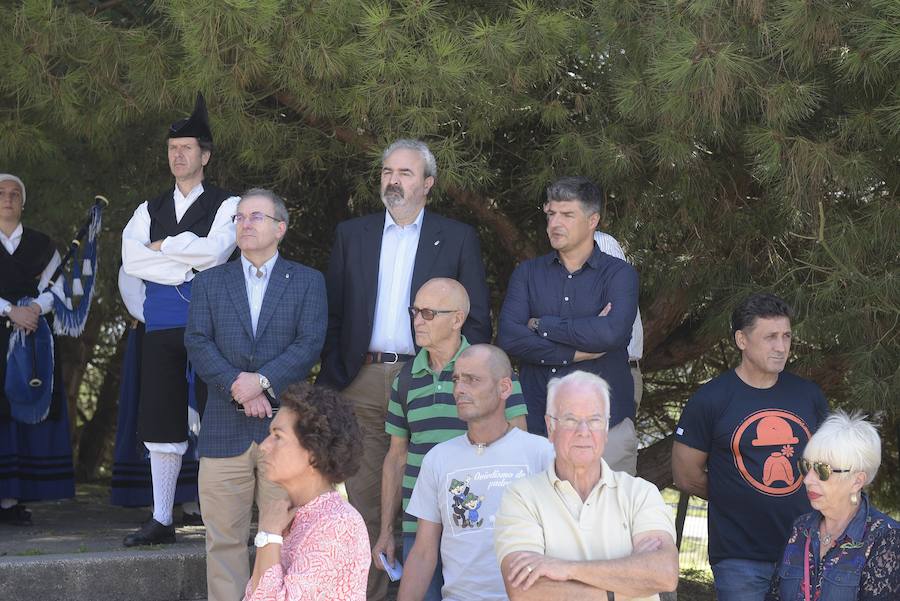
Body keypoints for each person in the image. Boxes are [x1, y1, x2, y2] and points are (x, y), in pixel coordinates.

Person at [318, 138, 491, 601]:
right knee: (369, 503)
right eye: (387, 172)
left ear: (428, 184)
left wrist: (458, 375)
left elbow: (475, 319)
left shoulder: (456, 238)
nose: (393, 181)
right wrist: (336, 377)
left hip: (430, 376)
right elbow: (333, 315)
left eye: (406, 173)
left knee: (441, 499)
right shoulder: (351, 234)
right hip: (365, 379)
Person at [185, 188, 327, 601]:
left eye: (256, 217)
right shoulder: (210, 282)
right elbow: (197, 341)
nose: (245, 224)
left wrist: (261, 380)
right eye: (240, 217)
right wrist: (239, 386)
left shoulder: (307, 281)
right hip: (223, 431)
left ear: (280, 228)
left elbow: (309, 343)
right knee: (224, 541)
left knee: (284, 538)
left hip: (284, 437)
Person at [120, 93, 239, 544]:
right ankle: (163, 518)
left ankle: (220, 519)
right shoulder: (147, 210)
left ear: (204, 156)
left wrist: (164, 249)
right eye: (172, 149)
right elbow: (132, 262)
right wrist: (186, 256)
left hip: (212, 323)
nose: (178, 155)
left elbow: (216, 253)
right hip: (163, 324)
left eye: (187, 148)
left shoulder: (230, 204)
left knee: (219, 417)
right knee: (161, 419)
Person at [373, 279, 528, 600]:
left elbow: (520, 449)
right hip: (420, 529)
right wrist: (387, 530)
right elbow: (396, 458)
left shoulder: (491, 369)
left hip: (479, 530)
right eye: (414, 311)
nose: (417, 320)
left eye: (428, 313)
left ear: (457, 319)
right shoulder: (405, 379)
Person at [672, 292, 829, 601]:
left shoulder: (809, 397)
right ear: (741, 340)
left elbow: (828, 466)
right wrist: (738, 497)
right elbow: (685, 475)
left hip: (804, 550)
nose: (781, 346)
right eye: (770, 337)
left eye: (786, 336)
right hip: (738, 556)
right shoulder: (711, 400)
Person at [494, 371, 678, 601]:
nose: (583, 431)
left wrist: (565, 569)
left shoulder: (640, 494)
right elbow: (524, 591)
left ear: (606, 428)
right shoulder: (521, 497)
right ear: (551, 427)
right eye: (571, 419)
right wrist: (624, 585)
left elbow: (664, 575)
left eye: (594, 420)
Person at [497, 176, 639, 472]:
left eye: (567, 215)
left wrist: (541, 325)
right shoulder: (528, 273)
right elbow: (510, 337)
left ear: (592, 221)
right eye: (551, 214)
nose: (555, 223)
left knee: (607, 516)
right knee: (538, 516)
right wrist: (575, 352)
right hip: (538, 424)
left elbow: (611, 333)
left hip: (604, 426)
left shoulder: (619, 274)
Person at [398, 344, 554, 601]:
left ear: (504, 388)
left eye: (472, 380)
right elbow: (424, 551)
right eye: (457, 379)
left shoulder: (541, 454)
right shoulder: (438, 458)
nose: (459, 389)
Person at [244, 382, 369, 601]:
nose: (264, 446)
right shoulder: (289, 514)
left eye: (277, 436)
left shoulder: (339, 525)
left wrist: (269, 533)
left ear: (313, 451)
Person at [0, 173, 74, 525]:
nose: (8, 199)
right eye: (1, 193)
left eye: (15, 194)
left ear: (23, 202)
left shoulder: (43, 245)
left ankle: (11, 500)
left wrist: (33, 311)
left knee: (24, 411)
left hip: (33, 337)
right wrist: (8, 310)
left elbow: (56, 289)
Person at [766, 411, 900, 601]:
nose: (808, 480)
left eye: (822, 470)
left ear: (857, 481)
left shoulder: (887, 539)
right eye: (806, 467)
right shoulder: (801, 528)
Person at [594, 230, 645, 476]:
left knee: (611, 484)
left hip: (611, 373)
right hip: (570, 377)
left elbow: (611, 323)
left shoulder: (600, 243)